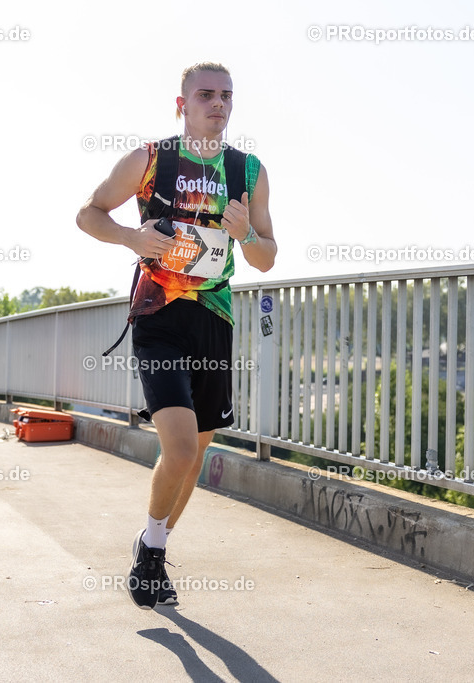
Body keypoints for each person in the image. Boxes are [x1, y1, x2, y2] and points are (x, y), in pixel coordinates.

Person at [76, 62, 276, 609]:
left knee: (196, 456)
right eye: (206, 94)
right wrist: (130, 237)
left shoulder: (248, 171)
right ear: (181, 103)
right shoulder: (151, 159)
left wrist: (247, 233)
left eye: (227, 96)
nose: (218, 104)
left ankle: (152, 547)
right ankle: (151, 551)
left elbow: (265, 257)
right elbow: (87, 214)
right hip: (159, 316)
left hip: (214, 317)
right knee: (181, 448)